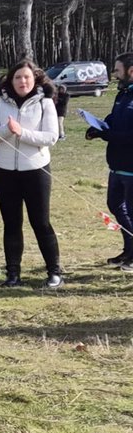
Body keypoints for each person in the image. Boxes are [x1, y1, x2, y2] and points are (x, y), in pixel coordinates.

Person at [0, 61, 62, 288]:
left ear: (34, 79)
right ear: (10, 80)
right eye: (17, 78)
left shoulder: (45, 103)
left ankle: (54, 272)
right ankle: (13, 274)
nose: (22, 82)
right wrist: (6, 131)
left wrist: (21, 132)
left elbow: (51, 137)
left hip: (36, 170)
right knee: (11, 223)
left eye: (26, 77)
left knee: (41, 222)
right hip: (4, 171)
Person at [86, 52, 133, 271]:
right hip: (116, 166)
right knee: (116, 206)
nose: (114, 74)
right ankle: (129, 249)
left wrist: (107, 135)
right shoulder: (122, 94)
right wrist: (97, 127)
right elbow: (113, 119)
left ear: (130, 71)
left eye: (117, 69)